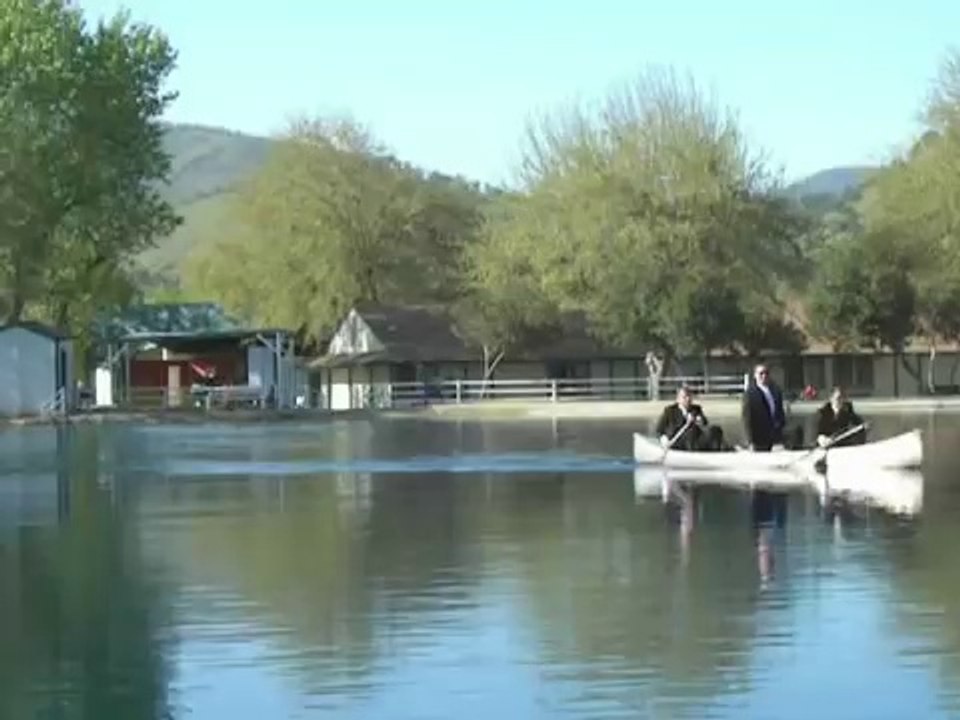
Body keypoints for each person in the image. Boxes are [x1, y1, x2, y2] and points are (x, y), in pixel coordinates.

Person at [655, 385, 725, 451]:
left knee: (716, 429)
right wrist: (664, 439)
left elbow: (705, 424)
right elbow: (659, 430)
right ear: (678, 399)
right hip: (677, 441)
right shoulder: (669, 411)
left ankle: (719, 451)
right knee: (691, 432)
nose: (688, 399)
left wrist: (700, 421)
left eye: (689, 396)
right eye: (684, 397)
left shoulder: (696, 409)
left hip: (696, 441)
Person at [741, 363, 787, 452]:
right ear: (755, 375)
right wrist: (750, 441)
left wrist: (781, 428)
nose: (764, 376)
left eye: (766, 373)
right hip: (758, 440)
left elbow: (780, 412)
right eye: (761, 373)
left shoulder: (775, 391)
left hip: (775, 438)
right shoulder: (750, 394)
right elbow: (747, 419)